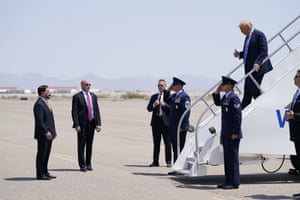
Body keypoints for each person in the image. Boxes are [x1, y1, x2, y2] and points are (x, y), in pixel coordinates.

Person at [233, 20, 273, 109]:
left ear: (247, 27)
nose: (241, 32)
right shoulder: (247, 38)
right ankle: (242, 111)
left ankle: (263, 108)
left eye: (242, 29)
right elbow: (249, 53)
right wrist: (239, 54)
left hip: (257, 69)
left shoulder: (259, 35)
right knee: (248, 91)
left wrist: (258, 63)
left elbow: (264, 51)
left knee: (254, 90)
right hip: (249, 70)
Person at [212, 76, 242, 189]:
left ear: (229, 85)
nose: (222, 86)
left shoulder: (234, 98)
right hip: (226, 132)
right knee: (227, 158)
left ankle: (234, 182)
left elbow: (237, 117)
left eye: (223, 85)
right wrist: (217, 92)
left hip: (233, 133)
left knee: (232, 158)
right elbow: (217, 103)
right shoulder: (226, 97)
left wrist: (236, 132)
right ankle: (228, 181)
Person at [71, 80, 102, 172]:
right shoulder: (77, 97)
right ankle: (82, 165)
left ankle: (88, 163)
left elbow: (96, 110)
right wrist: (76, 124)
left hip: (91, 123)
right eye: (86, 85)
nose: (88, 86)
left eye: (89, 85)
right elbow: (74, 112)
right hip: (82, 124)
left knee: (89, 144)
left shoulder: (93, 96)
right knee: (81, 145)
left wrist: (98, 123)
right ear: (82, 85)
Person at [33, 85, 57, 180]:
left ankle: (45, 171)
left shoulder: (46, 103)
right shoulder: (39, 104)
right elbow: (40, 121)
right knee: (42, 154)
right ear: (42, 93)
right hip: (43, 134)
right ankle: (40, 174)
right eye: (48, 91)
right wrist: (46, 132)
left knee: (47, 154)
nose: (50, 93)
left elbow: (49, 120)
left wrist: (53, 132)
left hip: (49, 134)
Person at [147, 79, 172, 167]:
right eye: (158, 85)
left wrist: (164, 105)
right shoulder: (154, 97)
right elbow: (149, 108)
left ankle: (168, 161)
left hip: (165, 122)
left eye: (161, 85)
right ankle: (155, 161)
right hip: (156, 122)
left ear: (165, 86)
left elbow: (171, 109)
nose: (160, 87)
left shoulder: (169, 96)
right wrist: (154, 105)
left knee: (167, 142)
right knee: (156, 142)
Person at [167, 77, 191, 163]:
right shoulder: (174, 96)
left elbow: (186, 112)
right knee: (175, 148)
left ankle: (180, 166)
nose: (173, 86)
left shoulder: (185, 97)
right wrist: (168, 89)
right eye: (172, 85)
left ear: (180, 86)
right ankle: (176, 166)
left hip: (180, 127)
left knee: (180, 148)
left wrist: (183, 126)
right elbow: (166, 98)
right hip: (173, 126)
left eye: (174, 85)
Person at [285, 70, 300, 175]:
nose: (294, 78)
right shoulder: (297, 93)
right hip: (296, 133)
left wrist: (293, 115)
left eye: (296, 76)